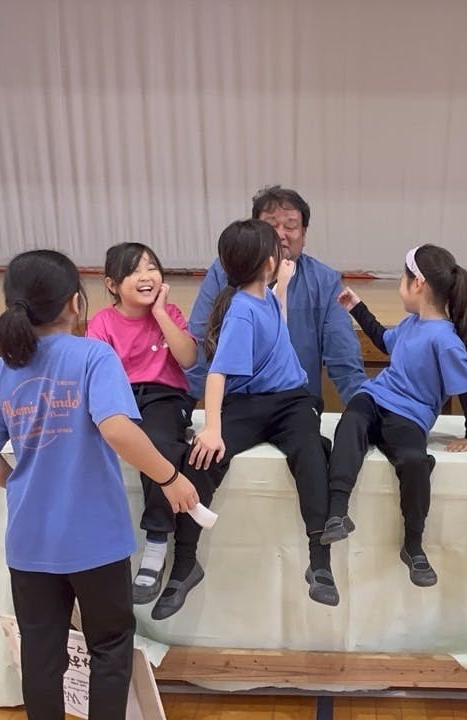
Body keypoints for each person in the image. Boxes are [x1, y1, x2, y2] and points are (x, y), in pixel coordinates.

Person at [0, 250, 199, 718]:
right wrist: (170, 477)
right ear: (76, 302)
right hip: (97, 539)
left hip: (30, 540)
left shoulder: (1, 370)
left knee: (40, 652)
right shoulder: (93, 355)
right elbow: (117, 429)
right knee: (110, 648)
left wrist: (22, 486)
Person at [188, 218, 340, 607]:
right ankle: (184, 562)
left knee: (311, 452)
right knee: (206, 457)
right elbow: (217, 373)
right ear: (269, 262)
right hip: (251, 404)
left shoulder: (264, 297)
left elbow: (276, 322)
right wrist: (212, 428)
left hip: (290, 401)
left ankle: (319, 562)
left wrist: (281, 286)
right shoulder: (242, 311)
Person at [322, 245, 467, 590]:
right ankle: (336, 512)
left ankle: (413, 545)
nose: (400, 285)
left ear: (418, 284)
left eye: (402, 278)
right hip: (375, 397)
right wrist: (357, 308)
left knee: (413, 461)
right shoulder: (412, 323)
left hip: (408, 417)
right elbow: (385, 341)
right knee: (350, 423)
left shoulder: (445, 340)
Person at [85, 242, 206, 619]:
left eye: (152, 267)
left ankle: (156, 543)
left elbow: (188, 358)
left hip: (164, 396)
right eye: (134, 271)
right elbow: (94, 374)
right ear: (112, 284)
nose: (146, 276)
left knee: (157, 445)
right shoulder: (102, 322)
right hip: (120, 396)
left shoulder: (170, 313)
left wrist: (160, 314)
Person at [187, 185, 366, 405]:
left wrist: (363, 409)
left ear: (304, 234)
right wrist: (185, 403)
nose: (280, 235)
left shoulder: (325, 281)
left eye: (290, 226)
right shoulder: (223, 272)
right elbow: (201, 339)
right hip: (237, 405)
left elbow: (345, 359)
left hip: (298, 406)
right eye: (271, 226)